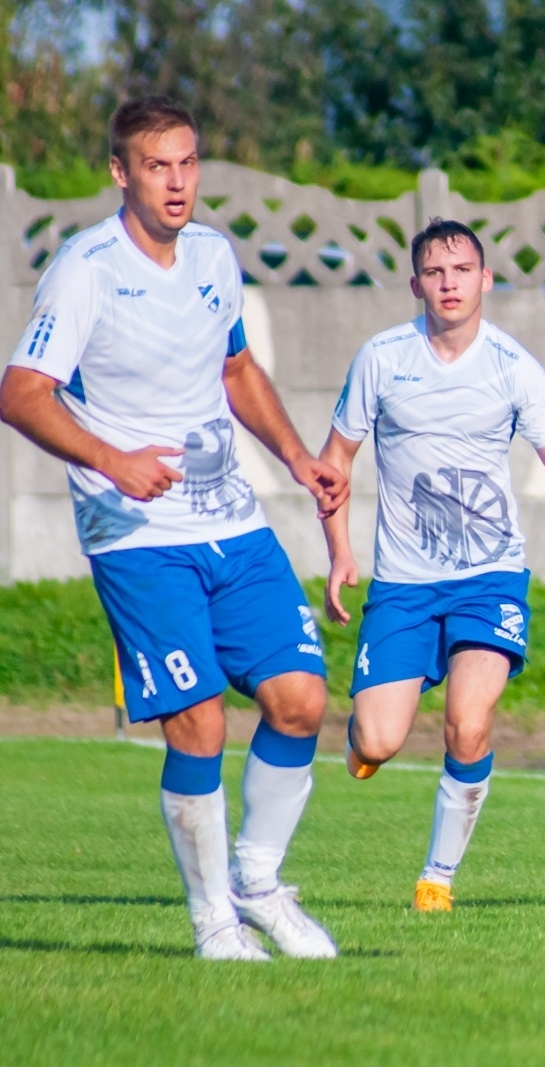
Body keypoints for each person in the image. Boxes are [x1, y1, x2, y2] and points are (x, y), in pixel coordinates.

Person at [0, 97, 347, 961]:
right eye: (158, 165)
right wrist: (113, 460)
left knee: (301, 700)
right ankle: (212, 923)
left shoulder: (213, 256)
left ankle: (257, 882)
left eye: (188, 163)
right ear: (121, 173)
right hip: (135, 532)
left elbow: (237, 368)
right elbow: (21, 392)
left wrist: (298, 458)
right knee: (199, 721)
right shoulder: (86, 268)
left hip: (230, 517)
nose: (177, 181)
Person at [320, 217, 545, 913]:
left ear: (486, 279)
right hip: (403, 585)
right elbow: (335, 462)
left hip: (490, 578)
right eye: (435, 271)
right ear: (416, 283)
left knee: (469, 721)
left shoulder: (513, 366)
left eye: (461, 270)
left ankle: (438, 878)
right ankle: (364, 740)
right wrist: (339, 553)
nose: (448, 283)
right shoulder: (381, 359)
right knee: (378, 739)